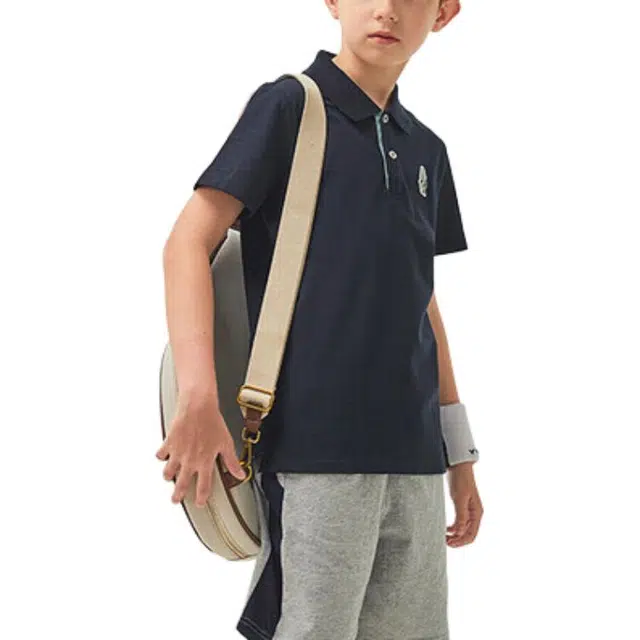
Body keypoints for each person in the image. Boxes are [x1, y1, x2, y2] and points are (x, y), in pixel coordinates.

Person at [157, 0, 484, 638]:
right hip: (316, 450)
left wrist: (459, 451)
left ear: (444, 13)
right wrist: (198, 398)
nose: (387, 10)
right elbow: (188, 242)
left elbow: (422, 300)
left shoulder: (427, 149)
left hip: (415, 456)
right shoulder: (290, 106)